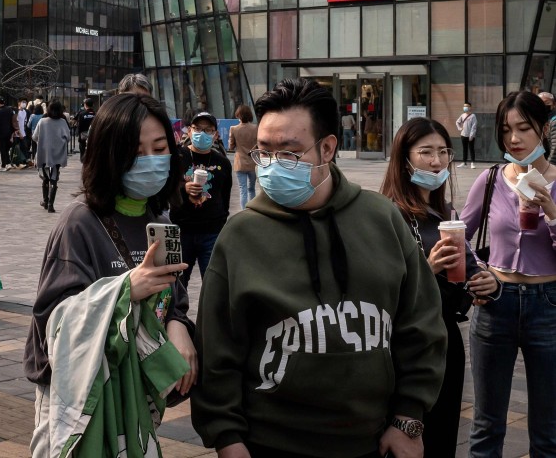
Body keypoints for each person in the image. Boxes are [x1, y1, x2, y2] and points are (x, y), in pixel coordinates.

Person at [191, 78, 447, 458]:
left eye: (290, 153)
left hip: (374, 441)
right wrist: (227, 439)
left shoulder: (382, 220)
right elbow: (218, 349)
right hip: (269, 443)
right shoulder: (241, 235)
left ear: (328, 148)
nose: (274, 165)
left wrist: (408, 419)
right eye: (265, 152)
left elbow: (421, 323)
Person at [25, 92, 195, 457]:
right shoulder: (79, 224)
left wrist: (179, 324)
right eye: (136, 151)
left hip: (134, 393)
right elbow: (51, 323)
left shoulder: (160, 220)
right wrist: (124, 289)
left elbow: (172, 295)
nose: (151, 160)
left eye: (160, 147)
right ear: (109, 154)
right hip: (78, 399)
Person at [380, 117, 499, 457]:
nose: (436, 161)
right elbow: (377, 289)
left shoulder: (445, 214)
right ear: (404, 158)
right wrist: (427, 269)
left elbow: (470, 268)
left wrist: (487, 282)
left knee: (443, 435)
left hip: (443, 340)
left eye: (444, 152)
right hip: (401, 344)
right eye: (426, 152)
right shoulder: (386, 214)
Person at [460, 91, 556, 457]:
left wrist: (552, 212)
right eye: (506, 130)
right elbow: (460, 234)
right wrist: (477, 273)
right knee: (486, 425)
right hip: (495, 301)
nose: (514, 139)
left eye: (523, 128)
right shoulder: (491, 180)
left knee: (548, 429)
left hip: (548, 305)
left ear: (543, 129)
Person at [170, 111, 232, 291]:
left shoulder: (222, 162)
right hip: (181, 231)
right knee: (176, 284)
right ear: (189, 131)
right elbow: (165, 188)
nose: (202, 134)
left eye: (208, 130)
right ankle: (177, 317)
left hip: (211, 233)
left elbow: (225, 196)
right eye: (198, 129)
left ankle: (211, 318)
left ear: (215, 134)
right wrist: (184, 188)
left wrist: (221, 222)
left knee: (214, 286)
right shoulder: (178, 157)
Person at [32, 101, 69, 213]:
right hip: (57, 154)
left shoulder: (42, 121)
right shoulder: (62, 122)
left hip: (44, 153)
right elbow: (68, 137)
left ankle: (45, 200)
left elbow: (34, 137)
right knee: (54, 178)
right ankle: (50, 205)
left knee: (45, 178)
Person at [228, 104, 258, 210]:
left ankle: (243, 211)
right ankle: (254, 209)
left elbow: (231, 147)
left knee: (242, 189)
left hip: (240, 163)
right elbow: (259, 145)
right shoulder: (256, 128)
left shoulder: (234, 129)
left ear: (238, 115)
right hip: (253, 163)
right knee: (252, 188)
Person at [0, 96, 17, 171]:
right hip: (9, 132)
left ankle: (3, 165)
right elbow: (13, 120)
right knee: (6, 149)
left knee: (1, 149)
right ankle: (8, 164)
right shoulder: (10, 110)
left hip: (1, 132)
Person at [456, 101, 477, 169]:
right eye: (464, 106)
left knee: (471, 149)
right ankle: (464, 162)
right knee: (464, 149)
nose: (465, 107)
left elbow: (474, 126)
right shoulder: (462, 115)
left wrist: (471, 135)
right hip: (463, 135)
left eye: (467, 106)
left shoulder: (473, 116)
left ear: (470, 107)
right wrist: (460, 128)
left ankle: (472, 163)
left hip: (470, 136)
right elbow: (457, 122)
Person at [540, 91, 556, 166]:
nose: (544, 105)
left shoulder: (554, 121)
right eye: (541, 103)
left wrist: (549, 165)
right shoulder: (544, 120)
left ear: (554, 104)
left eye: (547, 103)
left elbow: (555, 148)